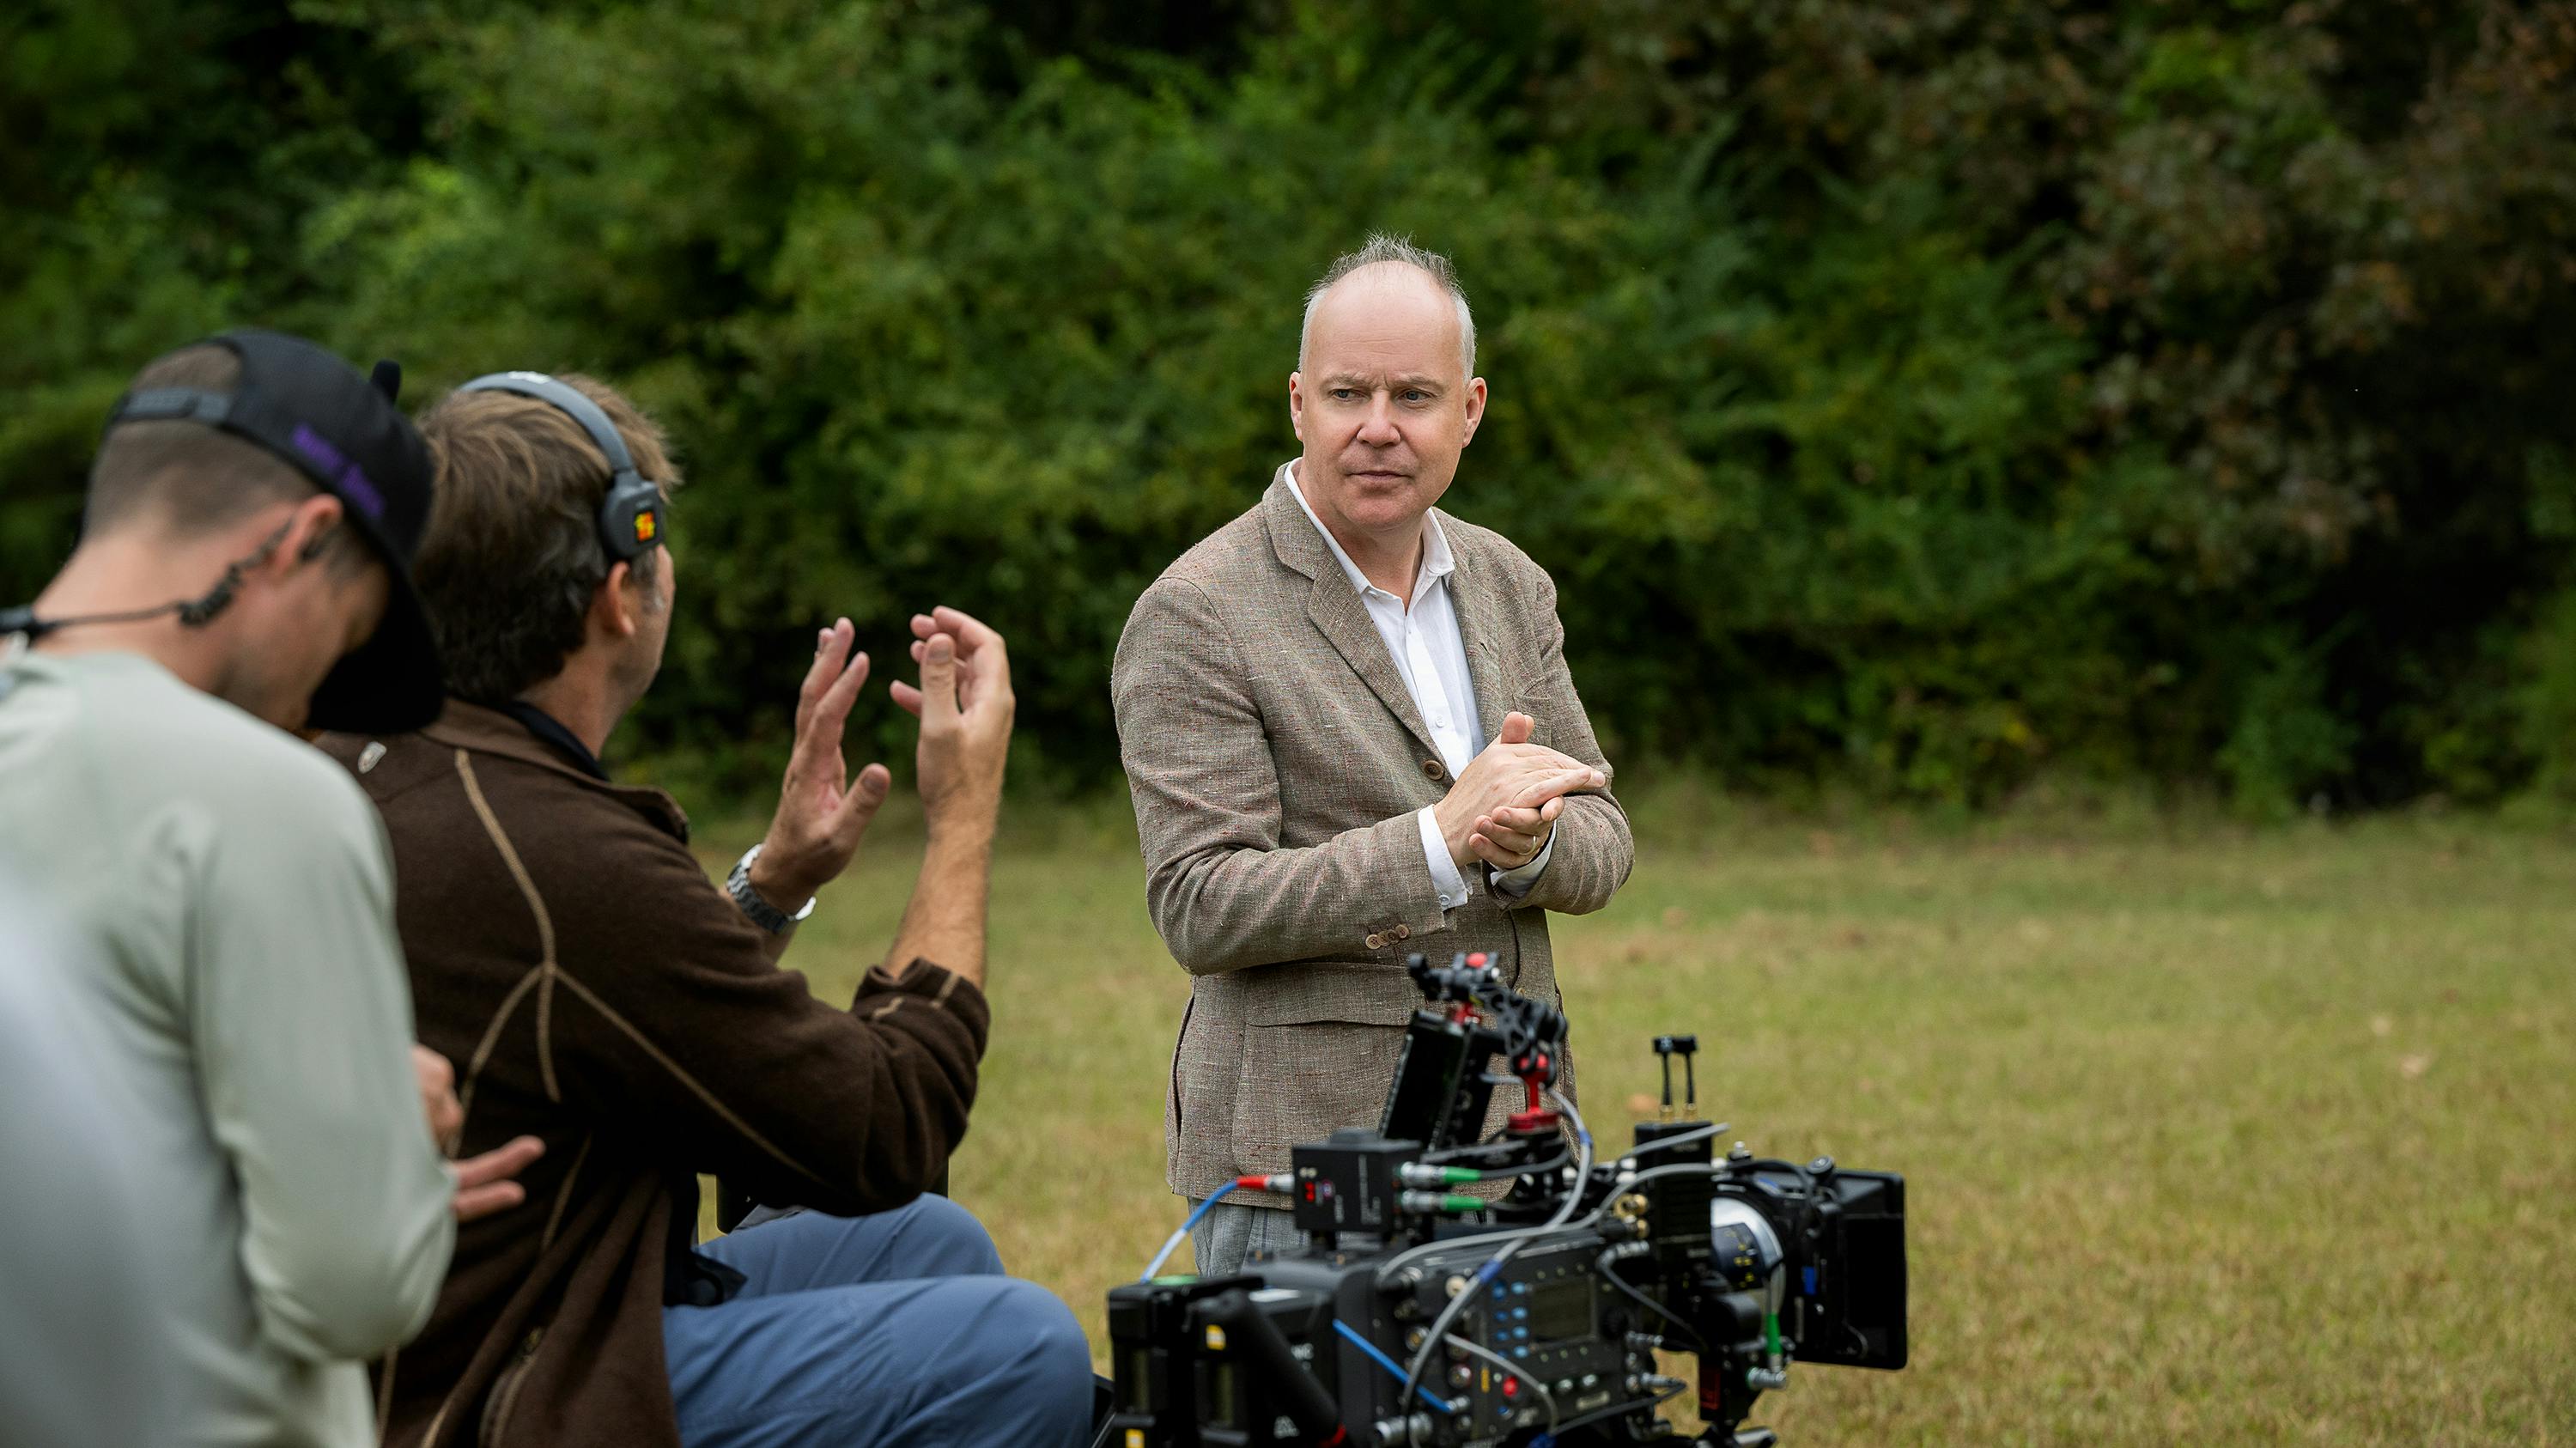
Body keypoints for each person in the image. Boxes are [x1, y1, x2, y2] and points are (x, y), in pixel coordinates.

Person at [316, 368, 1091, 1448]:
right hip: (501, 1385)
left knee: (925, 1244)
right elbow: (884, 1122)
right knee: (1017, 1350)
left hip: (492, 1311)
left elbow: (610, 1009)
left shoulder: (406, 764)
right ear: (619, 594)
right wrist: (960, 816)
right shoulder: (559, 851)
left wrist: (772, 884)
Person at [0, 331, 544, 1448]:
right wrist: (388, 1139)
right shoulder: (259, 798)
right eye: (345, 642)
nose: (315, 704)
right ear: (301, 541)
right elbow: (354, 1286)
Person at [1111, 235, 1637, 1275]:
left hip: (1521, 1140)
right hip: (1305, 1169)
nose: (1379, 429)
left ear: (1471, 411)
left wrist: (1530, 846)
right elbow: (1202, 903)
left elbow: (1607, 835)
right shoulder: (1197, 611)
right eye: (1349, 393)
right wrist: (1437, 842)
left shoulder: (1509, 583)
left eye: (1415, 395)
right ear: (1298, 404)